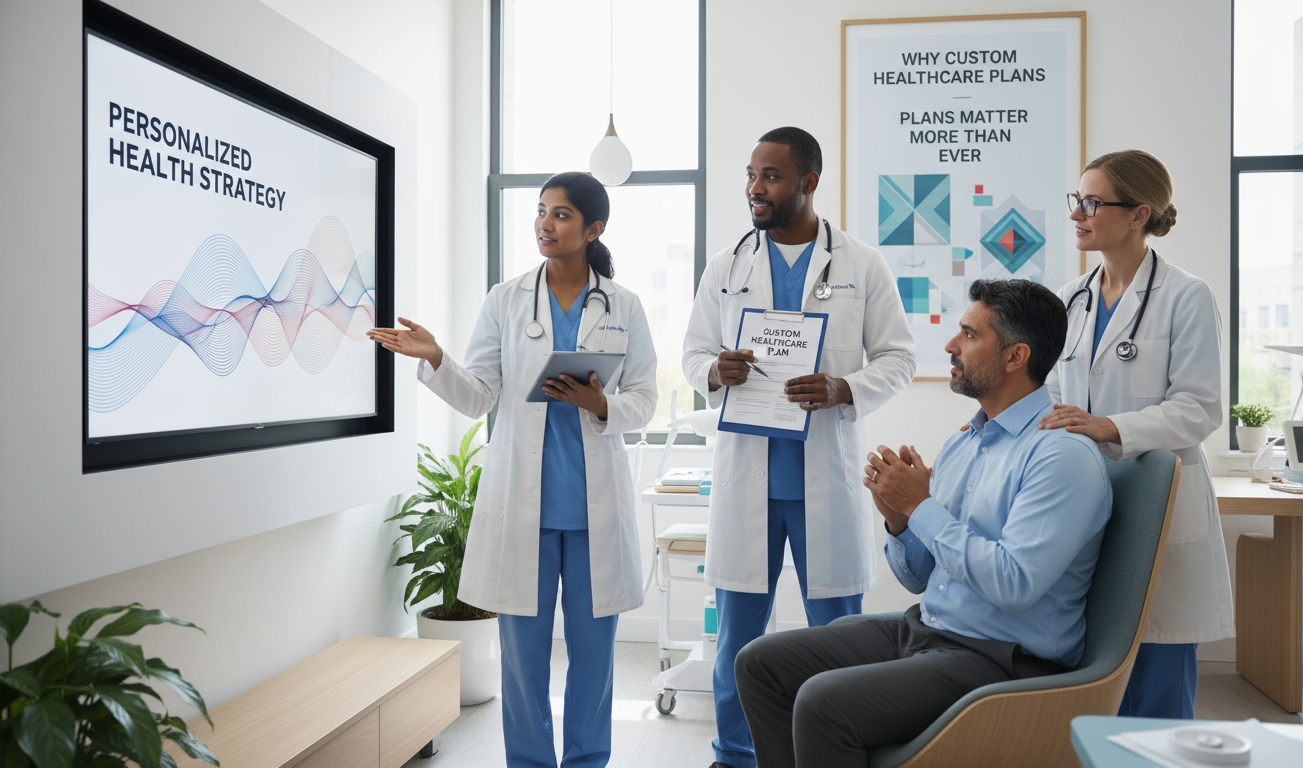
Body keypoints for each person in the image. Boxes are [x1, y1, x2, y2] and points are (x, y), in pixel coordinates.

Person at [734, 279, 1113, 768]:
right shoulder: (963, 443)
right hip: (928, 630)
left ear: (1015, 357)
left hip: (1003, 659)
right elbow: (919, 578)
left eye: (969, 335)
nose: (951, 346)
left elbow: (1014, 583)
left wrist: (920, 507)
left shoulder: (1061, 456)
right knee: (760, 663)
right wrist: (899, 522)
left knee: (823, 704)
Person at [367, 171, 656, 768]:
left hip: (593, 510)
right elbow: (478, 395)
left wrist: (599, 402)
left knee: (594, 657)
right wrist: (437, 358)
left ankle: (587, 761)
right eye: (541, 211)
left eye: (561, 214)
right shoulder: (506, 298)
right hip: (525, 509)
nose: (545, 224)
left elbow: (646, 399)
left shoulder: (624, 305)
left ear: (593, 228)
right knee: (523, 660)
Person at [681, 126, 915, 768]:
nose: (755, 188)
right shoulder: (725, 266)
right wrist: (714, 370)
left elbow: (899, 357)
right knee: (736, 640)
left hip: (824, 479)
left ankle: (835, 751)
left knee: (838, 637)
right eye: (751, 175)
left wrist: (844, 387)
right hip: (747, 481)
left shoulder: (862, 264)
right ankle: (734, 755)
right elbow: (693, 353)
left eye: (771, 176)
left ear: (808, 182)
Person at [1045, 149, 1233, 719]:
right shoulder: (1071, 299)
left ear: (1138, 214)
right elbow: (1052, 396)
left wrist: (1110, 427)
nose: (1077, 213)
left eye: (1092, 203)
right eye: (1077, 200)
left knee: (1158, 676)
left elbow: (1200, 408)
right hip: (1087, 498)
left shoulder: (1186, 296)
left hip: (1160, 498)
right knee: (1096, 674)